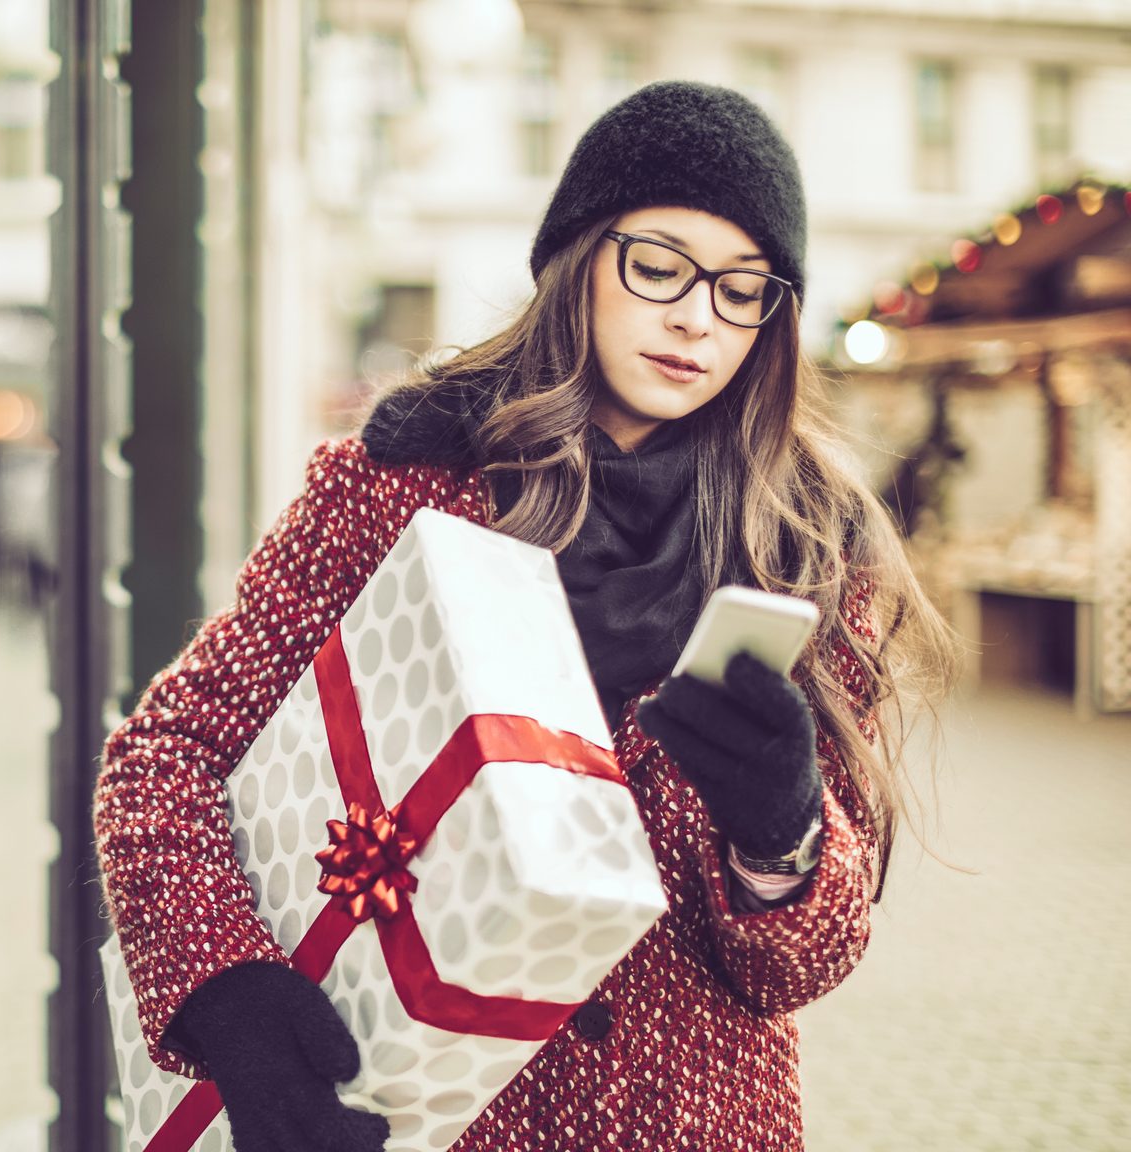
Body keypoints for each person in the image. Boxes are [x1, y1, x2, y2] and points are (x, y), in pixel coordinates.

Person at [96, 81, 957, 1151]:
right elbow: (165, 756)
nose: (697, 316)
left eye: (744, 289)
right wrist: (234, 1005)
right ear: (579, 259)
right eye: (660, 266)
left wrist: (779, 841)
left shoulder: (812, 548)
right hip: (415, 1107)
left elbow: (803, 967)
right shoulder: (404, 480)